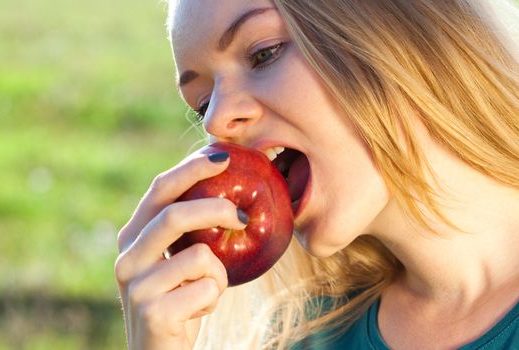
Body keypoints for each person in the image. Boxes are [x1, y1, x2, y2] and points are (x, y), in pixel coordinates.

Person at [114, 0, 519, 349]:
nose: (216, 122)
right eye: (202, 105)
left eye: (263, 53)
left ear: (393, 29)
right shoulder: (304, 337)